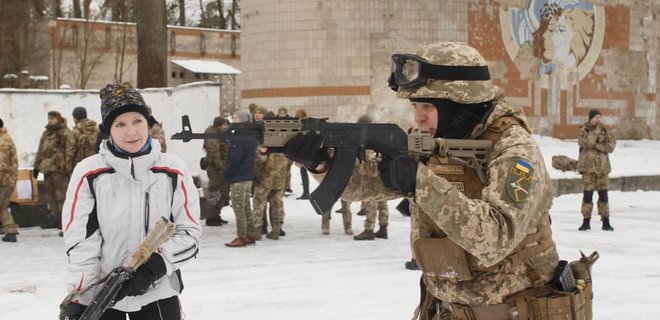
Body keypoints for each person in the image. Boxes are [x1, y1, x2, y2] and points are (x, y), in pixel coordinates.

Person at [285, 42, 570, 319]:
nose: (418, 118)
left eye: (427, 107)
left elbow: (496, 237)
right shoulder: (431, 141)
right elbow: (368, 184)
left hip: (516, 313)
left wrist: (419, 182)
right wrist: (320, 161)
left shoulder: (515, 149)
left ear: (459, 104)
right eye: (415, 106)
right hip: (446, 309)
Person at [61, 82, 201, 320]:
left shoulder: (173, 171)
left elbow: (190, 234)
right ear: (108, 130)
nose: (131, 132)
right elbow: (82, 244)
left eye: (137, 120)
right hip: (104, 293)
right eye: (120, 124)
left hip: (158, 291)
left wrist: (154, 266)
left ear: (148, 122)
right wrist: (80, 296)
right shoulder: (89, 173)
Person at [577, 109, 615, 231]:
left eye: (600, 117)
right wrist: (593, 142)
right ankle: (586, 222)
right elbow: (584, 143)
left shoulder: (604, 130)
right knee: (587, 196)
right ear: (591, 118)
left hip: (602, 168)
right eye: (596, 117)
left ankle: (606, 222)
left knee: (603, 195)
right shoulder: (583, 129)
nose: (599, 119)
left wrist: (598, 146)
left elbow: (611, 146)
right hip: (588, 168)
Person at [224, 111, 257, 247]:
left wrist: (226, 172)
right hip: (246, 176)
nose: (233, 119)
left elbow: (235, 158)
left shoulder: (239, 136)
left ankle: (241, 236)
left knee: (239, 207)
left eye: (236, 117)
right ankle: (250, 233)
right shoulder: (250, 135)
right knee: (245, 206)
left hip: (239, 177)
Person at [33, 110, 71, 230]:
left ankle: (63, 220)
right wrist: (36, 166)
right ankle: (55, 218)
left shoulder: (65, 132)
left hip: (59, 169)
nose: (50, 120)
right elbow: (40, 149)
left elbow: (69, 150)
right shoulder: (46, 133)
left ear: (58, 119)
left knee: (62, 196)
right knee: (50, 196)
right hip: (47, 168)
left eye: (53, 118)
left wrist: (67, 167)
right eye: (49, 118)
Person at [202, 116, 230, 226]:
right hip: (215, 169)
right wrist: (222, 167)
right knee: (214, 192)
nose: (225, 126)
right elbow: (215, 153)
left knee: (222, 191)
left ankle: (216, 215)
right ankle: (210, 217)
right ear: (218, 125)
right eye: (223, 125)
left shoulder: (219, 133)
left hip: (220, 168)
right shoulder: (212, 134)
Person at [0, 118, 19, 242]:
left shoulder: (2, 141)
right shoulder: (5, 137)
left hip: (4, 180)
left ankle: (10, 231)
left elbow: (1, 164)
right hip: (7, 179)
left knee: (2, 206)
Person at [66, 106, 99, 176]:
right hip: (95, 166)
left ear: (75, 118)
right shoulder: (96, 130)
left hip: (79, 168)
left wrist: (68, 170)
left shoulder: (75, 132)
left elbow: (70, 152)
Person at [294, 108, 311, 200]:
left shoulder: (303, 124)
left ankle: (306, 192)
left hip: (304, 151)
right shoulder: (308, 123)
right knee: (303, 171)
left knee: (304, 171)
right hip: (305, 150)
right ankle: (306, 192)